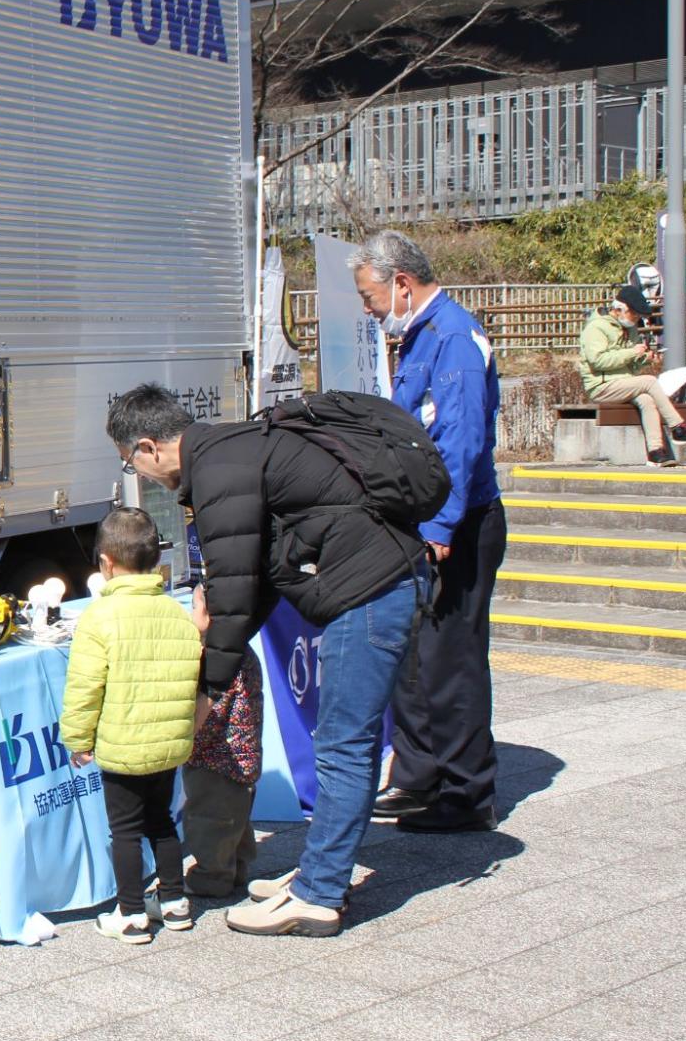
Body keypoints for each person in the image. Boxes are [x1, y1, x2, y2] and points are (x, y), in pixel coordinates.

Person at [109, 384, 425, 938]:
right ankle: (320, 870)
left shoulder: (217, 472)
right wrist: (218, 656)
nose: (142, 475)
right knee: (342, 743)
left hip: (372, 591)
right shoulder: (229, 451)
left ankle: (319, 894)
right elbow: (253, 584)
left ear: (149, 447)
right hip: (379, 580)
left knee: (343, 745)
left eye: (131, 462)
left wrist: (207, 689)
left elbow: (232, 594)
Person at [349, 231, 505, 833]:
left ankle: (466, 791)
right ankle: (418, 775)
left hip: (458, 524)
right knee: (412, 654)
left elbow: (460, 441)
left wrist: (440, 525)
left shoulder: (454, 339)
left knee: (451, 658)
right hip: (420, 520)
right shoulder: (419, 337)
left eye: (371, 296)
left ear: (402, 284)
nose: (369, 309)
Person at [58, 507, 200, 944]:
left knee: (124, 831)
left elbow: (85, 688)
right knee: (162, 821)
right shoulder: (176, 613)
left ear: (105, 563)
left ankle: (132, 913)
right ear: (156, 559)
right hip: (168, 743)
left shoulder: (99, 617)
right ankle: (174, 902)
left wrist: (78, 739)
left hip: (122, 745)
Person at [182, 582, 264, 896]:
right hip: (243, 755)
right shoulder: (242, 650)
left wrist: (184, 740)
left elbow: (208, 708)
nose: (191, 613)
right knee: (235, 819)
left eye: (194, 606)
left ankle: (211, 877)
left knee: (209, 820)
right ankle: (237, 868)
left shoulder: (216, 659)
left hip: (216, 757)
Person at [579, 284, 685, 466]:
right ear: (619, 309)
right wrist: (632, 352)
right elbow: (598, 361)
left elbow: (632, 367)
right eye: (634, 314)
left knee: (646, 399)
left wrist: (645, 359)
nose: (636, 319)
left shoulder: (630, 329)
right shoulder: (596, 328)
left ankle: (656, 452)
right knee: (649, 381)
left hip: (623, 383)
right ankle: (677, 426)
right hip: (601, 386)